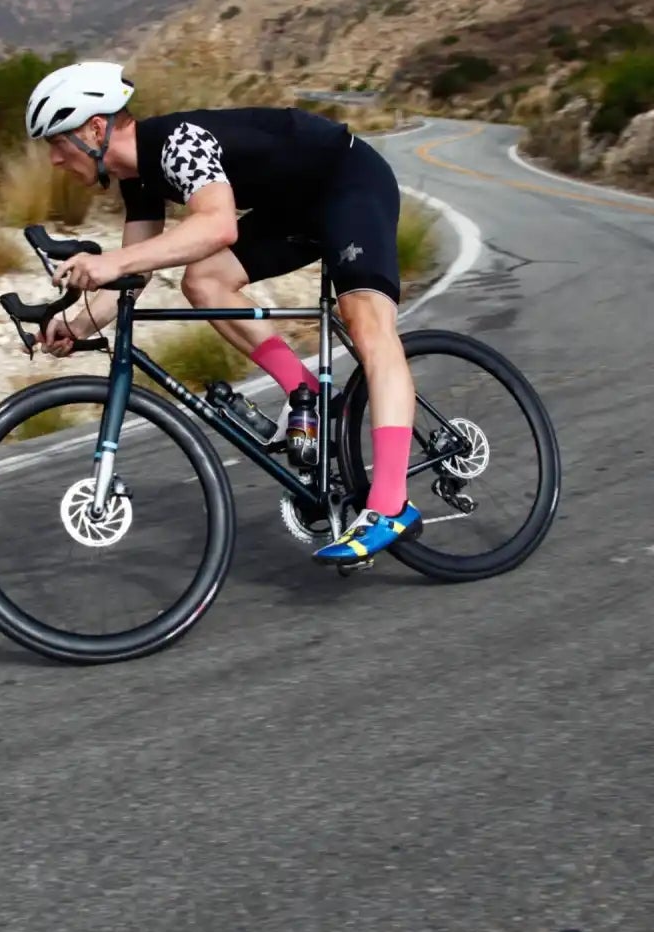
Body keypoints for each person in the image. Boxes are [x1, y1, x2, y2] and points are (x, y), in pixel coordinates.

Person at [25, 59, 421, 563]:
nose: (55, 160)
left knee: (366, 321)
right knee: (205, 281)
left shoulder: (177, 142)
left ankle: (390, 504)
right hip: (295, 208)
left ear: (95, 129)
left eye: (57, 143)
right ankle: (310, 395)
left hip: (348, 180)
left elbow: (217, 225)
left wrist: (110, 262)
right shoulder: (137, 179)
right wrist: (74, 325)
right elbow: (132, 276)